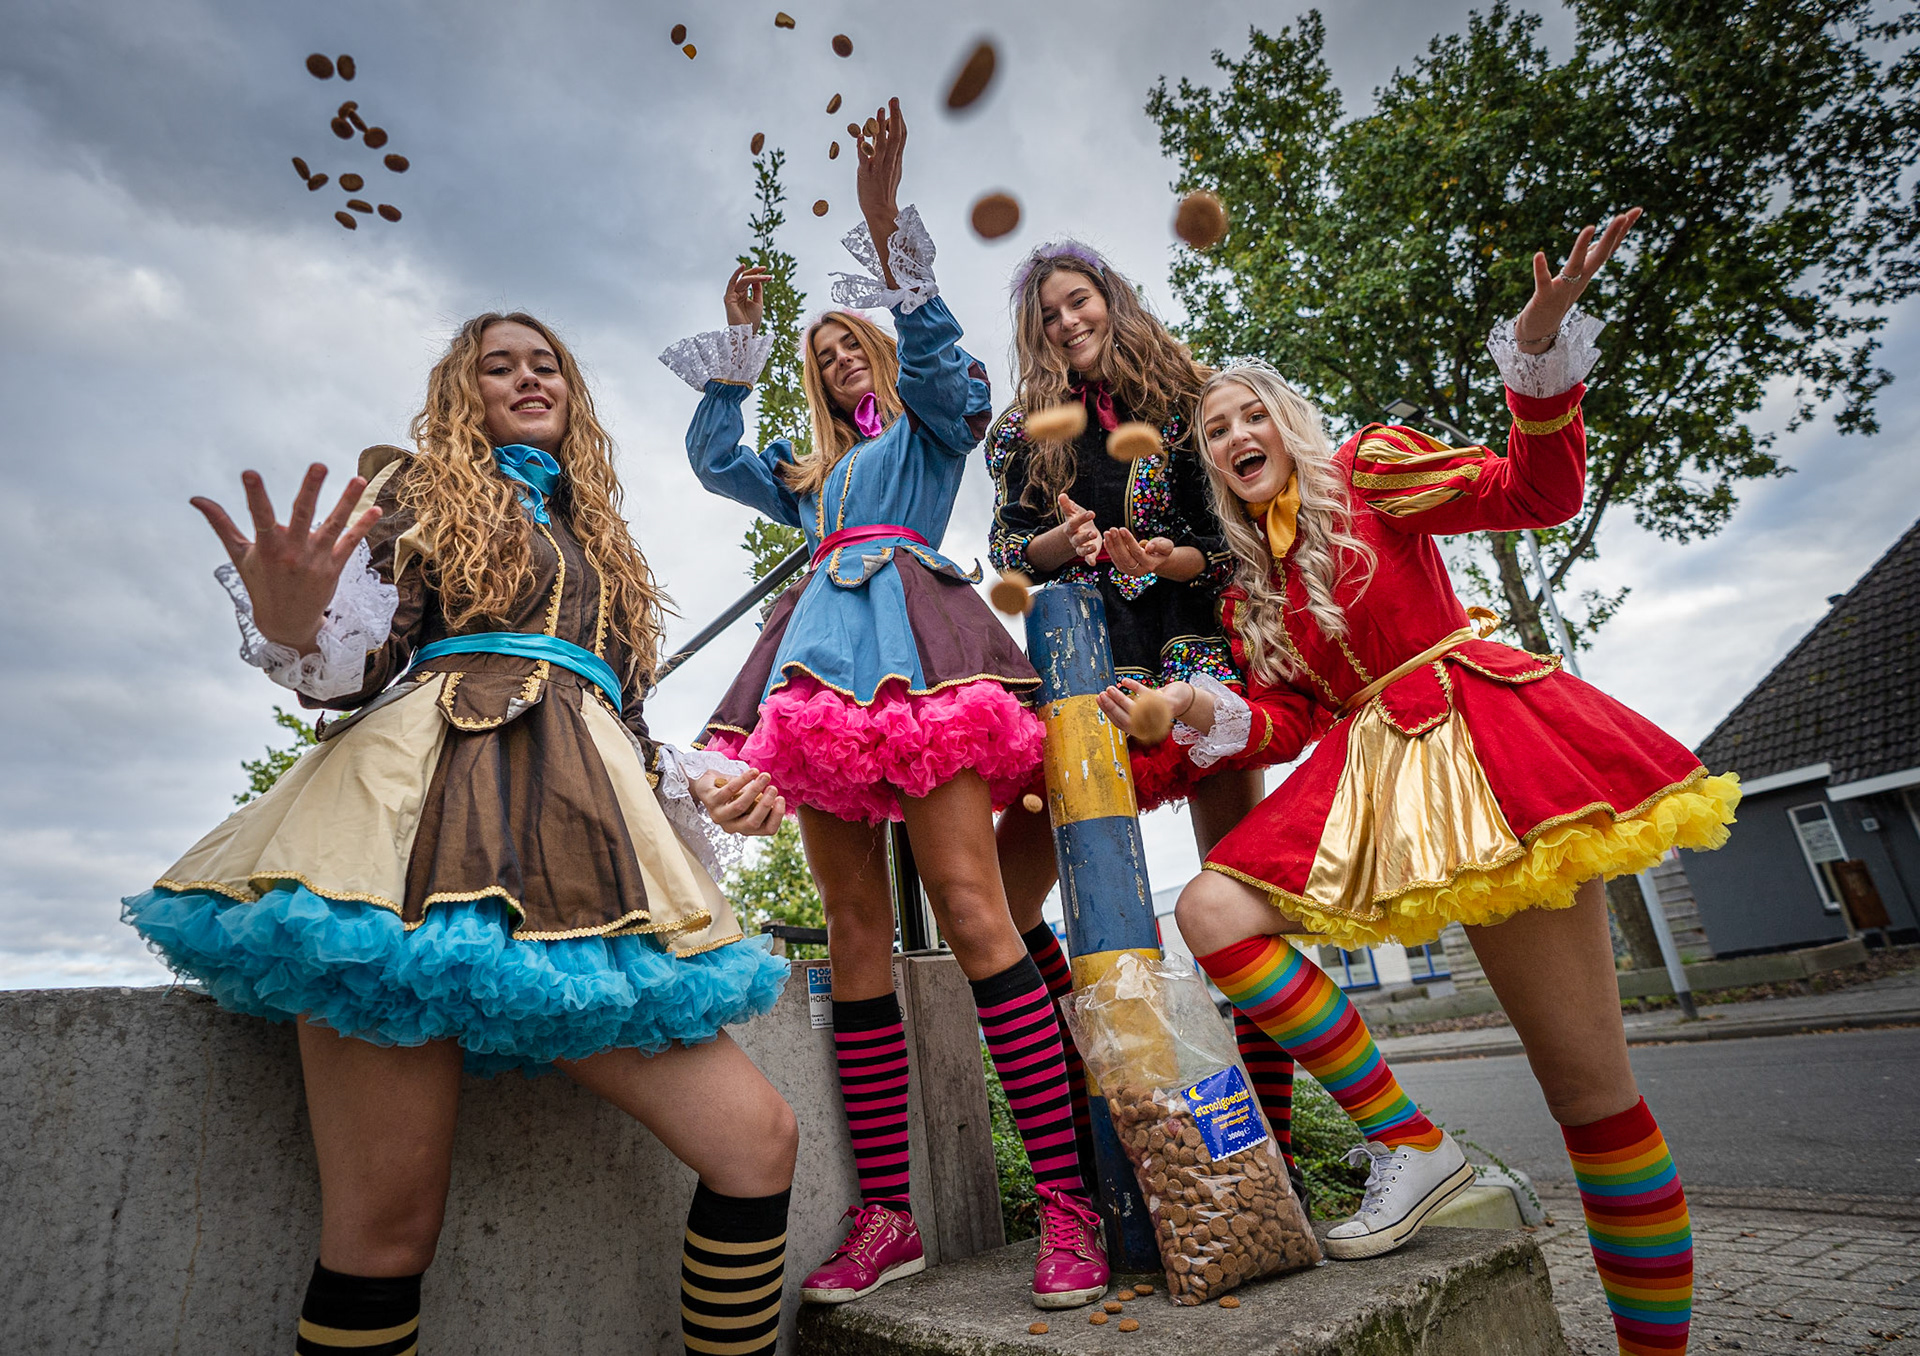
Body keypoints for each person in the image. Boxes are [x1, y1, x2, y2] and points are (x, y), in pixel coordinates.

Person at [1105, 209, 1729, 1353]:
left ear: (1287, 425)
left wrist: (1538, 357)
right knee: (1211, 907)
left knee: (1593, 1104)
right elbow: (1294, 713)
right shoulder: (1255, 588)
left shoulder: (1373, 470)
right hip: (1369, 775)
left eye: (1253, 412)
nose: (1238, 432)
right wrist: (1195, 708)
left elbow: (1533, 493)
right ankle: (1411, 1142)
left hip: (1484, 753)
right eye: (1216, 430)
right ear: (1212, 467)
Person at [123, 311, 798, 1356]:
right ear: (462, 392)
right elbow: (356, 665)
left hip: (582, 850)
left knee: (758, 1141)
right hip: (405, 840)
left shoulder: (600, 543)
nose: (529, 376)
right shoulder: (418, 496)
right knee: (386, 1233)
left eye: (548, 364)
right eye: (500, 365)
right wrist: (301, 622)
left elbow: (618, 726)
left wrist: (709, 786)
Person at [660, 100, 1108, 1311]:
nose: (839, 364)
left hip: (924, 654)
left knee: (972, 909)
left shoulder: (929, 432)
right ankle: (888, 1219)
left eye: (846, 344)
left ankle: (1067, 1205)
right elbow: (715, 463)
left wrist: (883, 233)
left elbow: (946, 373)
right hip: (814, 677)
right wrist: (741, 357)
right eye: (822, 361)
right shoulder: (808, 478)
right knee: (854, 936)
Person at [984, 241, 1296, 1192]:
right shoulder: (1019, 432)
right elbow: (1004, 549)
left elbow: (1228, 540)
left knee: (1248, 906)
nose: (1068, 322)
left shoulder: (1191, 395)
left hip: (1197, 664)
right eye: (1049, 314)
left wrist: (1161, 559)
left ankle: (1274, 1158)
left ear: (1110, 299)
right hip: (1083, 685)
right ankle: (1109, 1095)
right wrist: (1056, 540)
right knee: (999, 900)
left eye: (1080, 302)